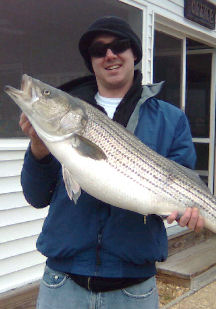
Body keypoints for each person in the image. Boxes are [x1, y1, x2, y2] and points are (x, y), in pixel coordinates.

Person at [19, 16, 204, 309]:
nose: (109, 55)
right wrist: (39, 151)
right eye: (98, 50)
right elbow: (36, 196)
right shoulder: (69, 120)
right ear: (91, 62)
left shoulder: (171, 118)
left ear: (134, 54)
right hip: (62, 282)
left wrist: (189, 211)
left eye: (119, 46)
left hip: (133, 288)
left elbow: (184, 188)